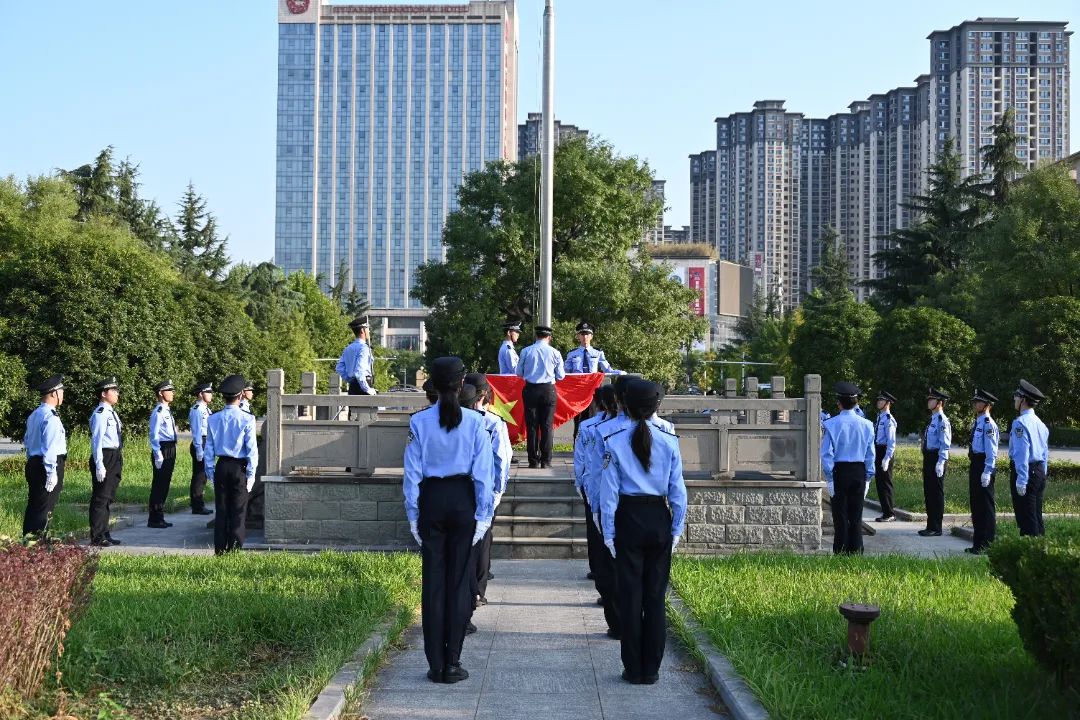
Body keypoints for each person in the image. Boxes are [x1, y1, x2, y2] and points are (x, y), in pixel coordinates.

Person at [403, 357, 494, 685]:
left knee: (434, 584)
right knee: (458, 583)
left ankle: (436, 664)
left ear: (434, 385)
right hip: (462, 500)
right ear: (461, 384)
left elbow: (412, 473)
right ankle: (453, 662)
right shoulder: (476, 422)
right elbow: (484, 475)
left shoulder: (419, 422)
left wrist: (413, 514)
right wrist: (483, 516)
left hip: (432, 500)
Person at [598, 379, 686, 685]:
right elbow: (678, 492)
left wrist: (608, 532)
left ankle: (633, 668)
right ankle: (652, 669)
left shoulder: (614, 440)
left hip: (629, 517)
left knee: (631, 596)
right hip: (658, 517)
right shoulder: (669, 440)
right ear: (655, 406)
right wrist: (676, 528)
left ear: (625, 405)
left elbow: (608, 494)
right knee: (655, 597)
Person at [575, 384, 621, 638]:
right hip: (626, 498)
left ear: (597, 403)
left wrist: (580, 484)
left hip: (598, 492)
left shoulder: (591, 427)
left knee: (598, 540)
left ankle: (606, 589)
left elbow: (584, 461)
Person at [464, 372, 512, 607]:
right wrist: (498, 490)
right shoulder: (492, 422)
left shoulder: (452, 418)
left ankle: (463, 590)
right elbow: (502, 458)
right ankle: (477, 591)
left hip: (457, 488)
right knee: (482, 539)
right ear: (485, 394)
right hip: (484, 489)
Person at [205, 375, 259, 554]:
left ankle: (220, 549)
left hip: (221, 466)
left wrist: (210, 473)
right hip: (238, 468)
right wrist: (251, 475)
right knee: (238, 511)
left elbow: (208, 449)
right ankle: (234, 550)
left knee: (221, 509)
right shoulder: (247, 419)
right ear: (241, 395)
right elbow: (251, 451)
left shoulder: (213, 418)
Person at [820, 382, 875, 554]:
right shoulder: (867, 424)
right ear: (856, 402)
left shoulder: (831, 424)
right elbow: (870, 454)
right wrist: (868, 477)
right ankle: (856, 550)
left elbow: (826, 454)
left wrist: (829, 478)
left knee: (840, 515)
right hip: (859, 470)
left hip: (840, 471)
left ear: (839, 403)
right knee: (856, 514)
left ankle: (841, 550)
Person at [23, 375, 68, 538]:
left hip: (34, 463)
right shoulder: (51, 417)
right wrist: (51, 472)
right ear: (54, 393)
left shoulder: (34, 414)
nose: (63, 394)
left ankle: (28, 542)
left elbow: (27, 442)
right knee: (44, 508)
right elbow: (49, 447)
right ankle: (38, 544)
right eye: (61, 391)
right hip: (47, 464)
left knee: (34, 506)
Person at [515, 326, 565, 468]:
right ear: (549, 337)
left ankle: (533, 461)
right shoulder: (555, 352)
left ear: (536, 336)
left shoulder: (526, 351)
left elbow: (519, 373)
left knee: (532, 426)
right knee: (547, 426)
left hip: (531, 389)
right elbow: (561, 376)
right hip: (548, 390)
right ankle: (546, 461)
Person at [565, 322, 625, 438]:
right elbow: (565, 372)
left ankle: (592, 443)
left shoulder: (597, 352)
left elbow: (607, 369)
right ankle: (577, 444)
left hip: (593, 391)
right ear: (578, 336)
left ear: (591, 336)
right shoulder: (572, 354)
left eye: (587, 334)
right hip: (578, 392)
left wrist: (619, 372)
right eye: (582, 334)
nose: (585, 337)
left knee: (593, 418)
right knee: (578, 421)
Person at [1009, 380, 1049, 537]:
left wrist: (1021, 479)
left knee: (1026, 517)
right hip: (1038, 471)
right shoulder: (1040, 423)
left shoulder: (1020, 423)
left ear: (1023, 400)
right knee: (1036, 514)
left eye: (1016, 396)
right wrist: (1043, 473)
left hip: (1026, 472)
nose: (1014, 399)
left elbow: (1022, 453)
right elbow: (1045, 453)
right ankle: (1041, 547)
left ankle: (1030, 548)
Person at [88, 377, 123, 546]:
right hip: (105, 456)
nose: (117, 394)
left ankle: (104, 532)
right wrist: (99, 463)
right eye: (113, 390)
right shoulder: (100, 414)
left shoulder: (111, 412)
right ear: (103, 393)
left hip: (114, 455)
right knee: (101, 497)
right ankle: (97, 536)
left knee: (108, 497)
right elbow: (97, 440)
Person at [967, 388, 1000, 553]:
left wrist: (988, 471)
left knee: (985, 506)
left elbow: (991, 451)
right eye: (975, 401)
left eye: (978, 401)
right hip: (975, 464)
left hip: (984, 465)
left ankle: (987, 544)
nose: (975, 404)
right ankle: (978, 543)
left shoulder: (988, 424)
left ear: (987, 404)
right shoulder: (978, 422)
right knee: (976, 504)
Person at [919, 387, 952, 537]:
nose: (928, 401)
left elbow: (945, 443)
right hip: (929, 457)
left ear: (939, 402)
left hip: (937, 458)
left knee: (936, 493)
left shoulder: (942, 420)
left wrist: (941, 461)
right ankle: (930, 525)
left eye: (932, 399)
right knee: (929, 492)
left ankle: (936, 527)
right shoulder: (933, 419)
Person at [148, 380, 178, 529]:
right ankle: (154, 518)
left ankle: (160, 516)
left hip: (170, 447)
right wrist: (157, 453)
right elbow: (153, 434)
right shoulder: (158, 412)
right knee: (159, 484)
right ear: (161, 393)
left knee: (165, 484)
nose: (172, 393)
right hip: (162, 448)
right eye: (169, 390)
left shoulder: (167, 411)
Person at [188, 382, 215, 516]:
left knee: (203, 476)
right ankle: (197, 506)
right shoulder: (197, 409)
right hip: (201, 442)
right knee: (199, 476)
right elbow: (196, 431)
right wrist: (199, 449)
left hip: (207, 442)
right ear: (200, 394)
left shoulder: (207, 409)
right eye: (208, 392)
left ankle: (199, 503)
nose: (211, 395)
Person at [873, 390, 898, 523]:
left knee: (885, 483)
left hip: (885, 452)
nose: (879, 402)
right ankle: (885, 512)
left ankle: (890, 513)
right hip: (878, 450)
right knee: (880, 483)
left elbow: (891, 441)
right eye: (878, 400)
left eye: (881, 400)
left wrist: (887, 458)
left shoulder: (889, 419)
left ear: (888, 403)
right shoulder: (880, 417)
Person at [336, 317, 377, 396]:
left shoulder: (348, 348)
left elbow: (339, 368)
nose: (369, 331)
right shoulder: (364, 348)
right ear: (362, 330)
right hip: (363, 387)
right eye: (367, 328)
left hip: (353, 387)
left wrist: (351, 380)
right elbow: (359, 371)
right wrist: (367, 389)